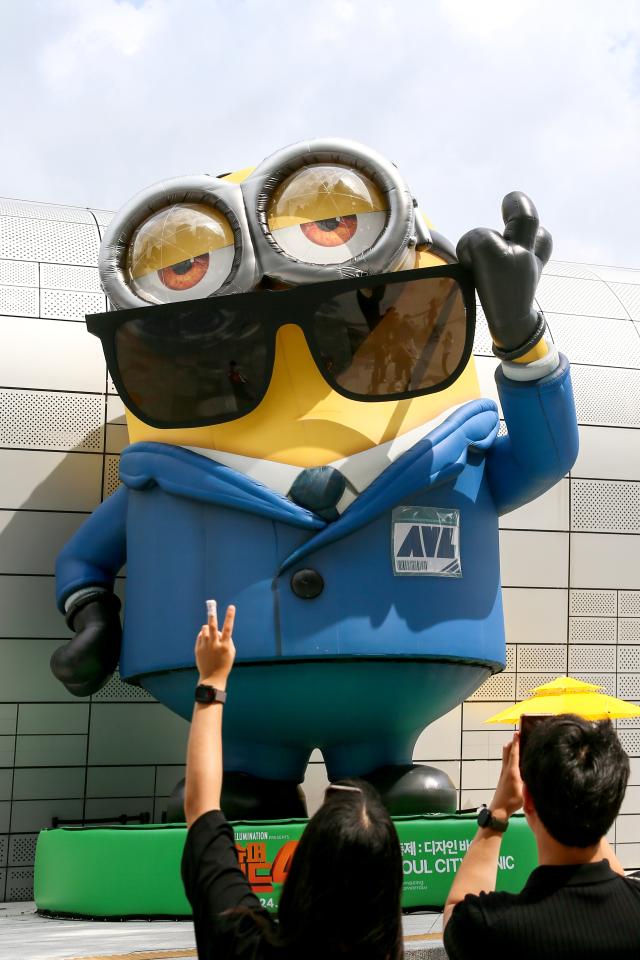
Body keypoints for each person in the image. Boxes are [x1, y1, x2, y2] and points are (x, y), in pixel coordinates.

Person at [180, 604, 404, 959]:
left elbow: (201, 810)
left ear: (302, 867)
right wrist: (495, 819)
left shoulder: (244, 942)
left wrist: (212, 681)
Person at [443, 715, 640, 958]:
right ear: (613, 798)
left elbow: (456, 908)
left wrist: (498, 812)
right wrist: (589, 795)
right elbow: (620, 886)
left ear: (527, 800)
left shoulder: (489, 927)